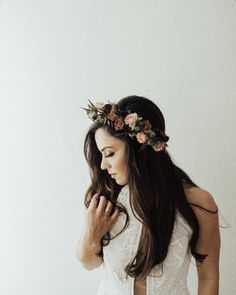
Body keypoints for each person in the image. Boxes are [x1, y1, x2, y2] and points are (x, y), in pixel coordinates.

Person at [76, 95, 220, 295]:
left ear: (138, 148)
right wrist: (91, 235)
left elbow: (209, 276)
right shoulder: (106, 198)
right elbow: (89, 262)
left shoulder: (197, 203)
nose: (103, 165)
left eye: (109, 154)